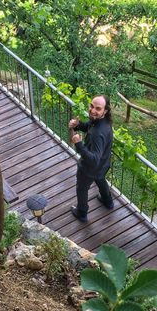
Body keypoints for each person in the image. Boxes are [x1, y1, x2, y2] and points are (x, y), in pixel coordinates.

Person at [68, 95, 114, 223]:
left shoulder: (97, 134)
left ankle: (82, 213)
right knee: (100, 180)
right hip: (103, 165)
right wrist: (78, 125)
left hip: (89, 168)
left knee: (81, 188)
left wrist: (78, 144)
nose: (93, 110)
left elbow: (94, 159)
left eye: (98, 108)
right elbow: (89, 126)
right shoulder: (104, 122)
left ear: (105, 111)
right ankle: (108, 201)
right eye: (92, 106)